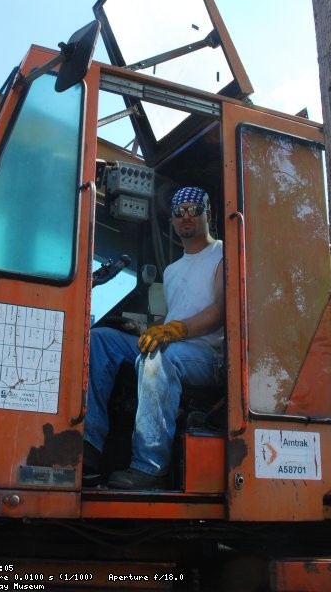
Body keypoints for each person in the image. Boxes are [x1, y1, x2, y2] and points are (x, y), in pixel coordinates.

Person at [83, 186, 225, 490]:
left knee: (158, 356)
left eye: (193, 210)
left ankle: (149, 466)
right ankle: (89, 446)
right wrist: (152, 329)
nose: (185, 216)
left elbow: (219, 311)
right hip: (175, 343)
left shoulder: (222, 253)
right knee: (101, 341)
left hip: (207, 355)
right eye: (178, 212)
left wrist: (174, 331)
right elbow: (175, 314)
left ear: (207, 214)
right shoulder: (172, 270)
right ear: (172, 220)